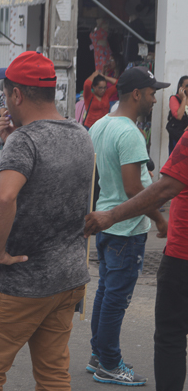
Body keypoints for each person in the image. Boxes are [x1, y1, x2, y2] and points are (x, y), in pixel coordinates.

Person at [0, 51, 95, 391]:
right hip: (68, 276)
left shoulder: (25, 141)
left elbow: (4, 197)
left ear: (18, 95)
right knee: (53, 374)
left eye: (7, 94)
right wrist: (11, 141)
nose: (6, 100)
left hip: (23, 280)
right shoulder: (80, 133)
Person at [85, 129, 188, 391]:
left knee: (170, 335)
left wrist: (112, 215)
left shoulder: (103, 127)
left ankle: (103, 357)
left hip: (180, 255)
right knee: (109, 294)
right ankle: (104, 358)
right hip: (137, 238)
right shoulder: (124, 132)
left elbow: (165, 187)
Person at [86, 66, 170, 386]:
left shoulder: (100, 125)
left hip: (106, 222)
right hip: (126, 229)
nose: (155, 100)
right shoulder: (131, 133)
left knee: (106, 292)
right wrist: (159, 219)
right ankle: (109, 362)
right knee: (116, 299)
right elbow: (134, 188)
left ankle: (98, 355)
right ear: (136, 94)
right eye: (152, 93)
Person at [167, 76, 188, 155]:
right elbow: (179, 116)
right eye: (187, 86)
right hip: (178, 137)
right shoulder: (174, 98)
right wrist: (184, 99)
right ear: (180, 86)